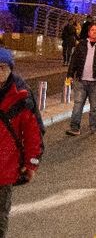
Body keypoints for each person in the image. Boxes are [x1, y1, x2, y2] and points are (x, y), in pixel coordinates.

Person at [0, 48, 43, 237]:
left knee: (0, 215)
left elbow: (33, 133)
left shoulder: (22, 96)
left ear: (10, 69)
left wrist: (31, 163)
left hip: (4, 168)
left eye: (1, 68)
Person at [65, 24, 96, 136]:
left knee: (94, 106)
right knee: (78, 105)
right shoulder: (81, 45)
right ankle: (74, 128)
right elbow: (73, 60)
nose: (94, 32)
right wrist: (70, 75)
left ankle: (93, 126)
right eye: (92, 30)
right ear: (88, 32)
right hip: (81, 80)